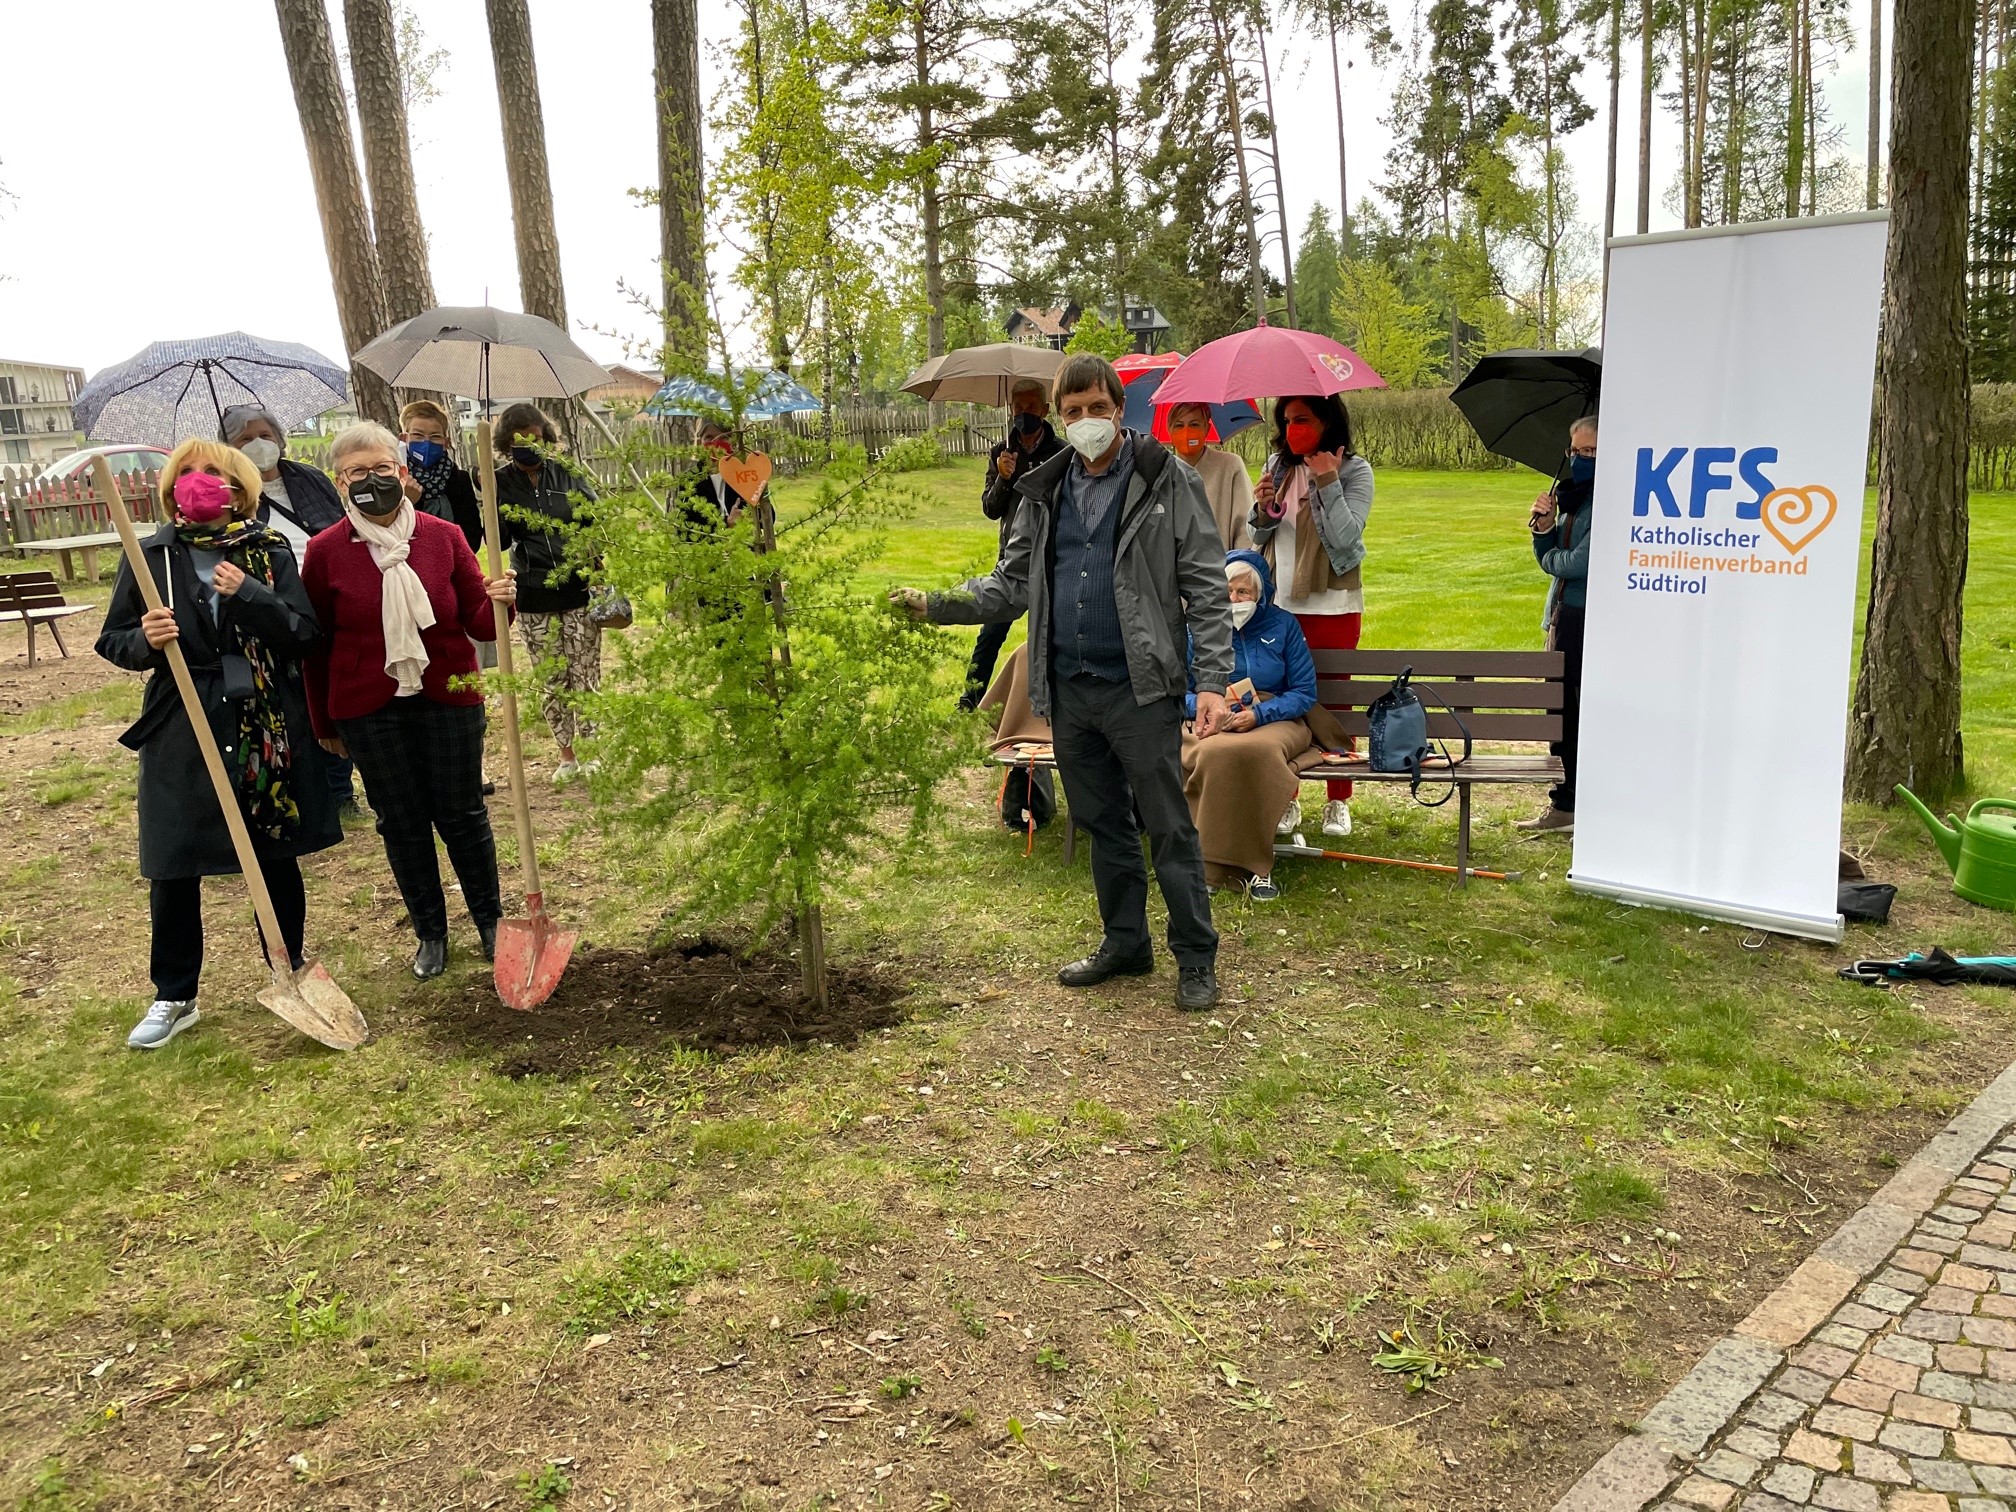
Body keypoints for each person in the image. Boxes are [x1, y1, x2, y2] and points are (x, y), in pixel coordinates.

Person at [893, 354, 1233, 1012]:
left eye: (1096, 408)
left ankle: (1195, 955)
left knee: (1167, 827)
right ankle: (1125, 942)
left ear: (1118, 408)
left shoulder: (1165, 478)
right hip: (1071, 690)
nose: (1085, 422)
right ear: (1058, 416)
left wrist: (1213, 679)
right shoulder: (1043, 489)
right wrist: (936, 605)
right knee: (1103, 823)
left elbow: (1206, 585)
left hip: (1141, 688)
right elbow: (1011, 583)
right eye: (1071, 411)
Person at [96, 438, 342, 1049]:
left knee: (273, 852)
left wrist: (251, 595)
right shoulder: (148, 555)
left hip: (263, 719)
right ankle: (174, 994)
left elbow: (305, 636)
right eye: (187, 472)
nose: (199, 481)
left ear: (239, 489)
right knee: (174, 859)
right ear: (171, 487)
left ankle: (287, 967)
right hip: (183, 719)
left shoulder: (268, 551)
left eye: (214, 472)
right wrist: (145, 639)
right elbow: (114, 639)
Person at [301, 421, 516, 980]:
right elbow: (316, 645)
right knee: (400, 822)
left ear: (402, 472)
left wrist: (500, 600)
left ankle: (490, 921)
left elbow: (478, 623)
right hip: (368, 706)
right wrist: (323, 719)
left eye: (381, 468)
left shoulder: (443, 537)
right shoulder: (325, 553)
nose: (371, 480)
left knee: (462, 812)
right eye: (356, 473)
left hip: (448, 692)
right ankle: (431, 932)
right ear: (340, 482)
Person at [1183, 551, 1347, 902]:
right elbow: (1175, 691)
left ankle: (1259, 867)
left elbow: (1304, 692)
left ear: (1261, 595)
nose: (1234, 600)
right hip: (1212, 716)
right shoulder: (1199, 626)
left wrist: (1260, 715)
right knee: (1214, 754)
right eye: (1228, 591)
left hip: (1276, 716)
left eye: (1244, 593)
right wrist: (1205, 705)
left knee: (1258, 752)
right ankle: (1210, 865)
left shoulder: (1283, 625)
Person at [221, 403, 359, 813]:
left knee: (334, 695)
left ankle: (342, 791)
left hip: (327, 596)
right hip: (276, 606)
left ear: (280, 438)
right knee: (295, 701)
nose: (259, 445)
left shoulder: (312, 480)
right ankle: (309, 789)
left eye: (265, 435)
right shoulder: (233, 492)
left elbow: (340, 525)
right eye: (245, 439)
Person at [1249, 393, 1373, 841]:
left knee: (1334, 704)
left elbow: (1345, 540)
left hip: (1331, 607)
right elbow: (1258, 533)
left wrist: (1327, 482)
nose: (1291, 428)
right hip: (1280, 604)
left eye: (1302, 419)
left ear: (1326, 421)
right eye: (1286, 420)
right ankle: (1288, 796)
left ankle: (1338, 800)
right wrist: (1261, 507)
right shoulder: (1278, 466)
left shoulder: (1356, 471)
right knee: (1283, 702)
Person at [495, 402, 601, 785]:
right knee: (552, 678)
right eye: (519, 439)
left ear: (546, 437)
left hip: (577, 588)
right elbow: (497, 538)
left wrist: (590, 559)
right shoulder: (500, 482)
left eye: (535, 437)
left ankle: (592, 751)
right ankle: (567, 755)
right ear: (507, 442)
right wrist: (490, 500)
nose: (528, 444)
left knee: (584, 673)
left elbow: (595, 517)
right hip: (533, 592)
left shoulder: (567, 474)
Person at [963, 378, 1063, 711]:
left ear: (1045, 410)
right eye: (1018, 408)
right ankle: (971, 698)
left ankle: (1049, 703)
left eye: (1031, 407)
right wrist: (1004, 479)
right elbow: (990, 509)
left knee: (1050, 635)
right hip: (1011, 561)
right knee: (991, 633)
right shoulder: (1001, 452)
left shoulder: (1062, 453)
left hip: (1052, 558)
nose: (1024, 414)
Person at [1521, 413, 1598, 835]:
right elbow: (1556, 560)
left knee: (1578, 712)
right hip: (1563, 614)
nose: (1581, 459)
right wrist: (1546, 527)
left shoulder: (1611, 500)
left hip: (1589, 617)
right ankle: (1565, 804)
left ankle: (1581, 803)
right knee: (1560, 713)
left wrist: (1551, 557)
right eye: (1576, 451)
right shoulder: (1573, 497)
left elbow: (1580, 563)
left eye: (1592, 451)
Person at [1164, 402, 1253, 552]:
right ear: (1169, 430)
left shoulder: (1230, 466)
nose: (1186, 432)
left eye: (1194, 424)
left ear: (1207, 428)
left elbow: (1245, 528)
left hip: (1222, 569)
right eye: (1179, 425)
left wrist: (1240, 565)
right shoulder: (1162, 471)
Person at [399, 398, 482, 546]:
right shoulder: (396, 480)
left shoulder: (458, 479)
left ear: (446, 443)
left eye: (435, 436)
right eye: (418, 435)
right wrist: (407, 502)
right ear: (404, 438)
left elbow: (472, 537)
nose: (427, 442)